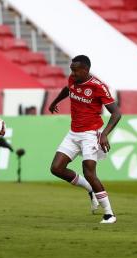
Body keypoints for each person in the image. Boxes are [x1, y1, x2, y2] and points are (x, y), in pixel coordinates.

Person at [49, 55, 121, 224]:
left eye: (75, 70)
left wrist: (104, 134)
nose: (72, 73)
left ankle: (109, 214)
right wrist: (55, 102)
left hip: (91, 134)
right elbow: (68, 89)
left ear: (86, 70)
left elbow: (116, 113)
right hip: (73, 133)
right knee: (56, 168)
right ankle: (89, 189)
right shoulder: (73, 79)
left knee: (89, 171)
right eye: (71, 70)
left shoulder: (98, 87)